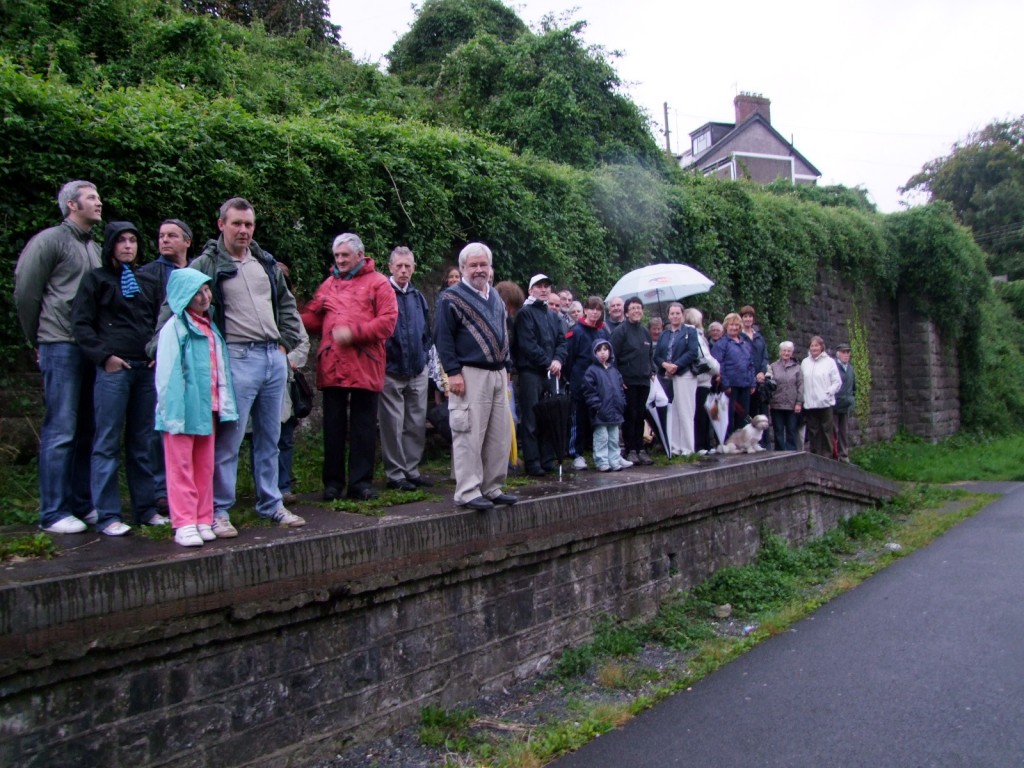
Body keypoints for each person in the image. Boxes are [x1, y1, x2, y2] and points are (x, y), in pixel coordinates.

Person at [183, 197, 307, 535]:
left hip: (273, 357)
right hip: (236, 357)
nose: (243, 230)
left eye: (248, 224)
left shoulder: (264, 262)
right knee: (230, 439)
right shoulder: (205, 264)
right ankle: (218, 510)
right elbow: (178, 304)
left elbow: (285, 301)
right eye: (236, 223)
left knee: (270, 435)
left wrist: (287, 341)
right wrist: (157, 347)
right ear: (221, 224)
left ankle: (271, 502)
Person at [14, 180, 103, 534]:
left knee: (88, 430)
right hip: (60, 344)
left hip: (90, 347)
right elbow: (26, 291)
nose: (99, 202)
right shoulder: (49, 241)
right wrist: (36, 337)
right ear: (71, 205)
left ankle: (82, 504)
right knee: (61, 428)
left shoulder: (95, 247)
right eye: (91, 197)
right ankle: (53, 511)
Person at [71, 221, 165, 535]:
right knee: (106, 442)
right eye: (122, 241)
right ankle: (108, 515)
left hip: (144, 369)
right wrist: (104, 358)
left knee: (142, 443)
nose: (128, 246)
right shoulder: (96, 280)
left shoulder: (147, 280)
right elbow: (82, 325)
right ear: (110, 245)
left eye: (133, 241)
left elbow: (157, 320)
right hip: (114, 369)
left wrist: (156, 353)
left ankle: (146, 509)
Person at [303, 233, 398, 501]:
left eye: (345, 255)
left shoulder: (379, 284)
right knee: (332, 427)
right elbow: (314, 318)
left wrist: (353, 333)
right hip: (333, 364)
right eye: (337, 256)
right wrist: (290, 318)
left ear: (360, 254)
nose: (340, 260)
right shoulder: (328, 284)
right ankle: (332, 485)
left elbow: (388, 322)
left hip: (365, 364)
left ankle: (360, 484)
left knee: (363, 426)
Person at [155, 268, 238, 547]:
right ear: (183, 296)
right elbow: (167, 374)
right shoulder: (175, 328)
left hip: (208, 409)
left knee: (204, 466)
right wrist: (172, 412)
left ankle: (203, 517)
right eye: (197, 292)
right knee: (180, 467)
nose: (205, 297)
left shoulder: (209, 326)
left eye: (206, 290)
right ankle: (184, 522)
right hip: (181, 411)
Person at [434, 242, 517, 510]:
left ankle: (492, 487)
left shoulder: (494, 296)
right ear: (463, 268)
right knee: (468, 433)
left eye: (483, 265)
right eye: (473, 265)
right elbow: (442, 339)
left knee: (498, 435)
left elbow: (503, 334)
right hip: (469, 374)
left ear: (490, 268)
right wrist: (453, 373)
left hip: (497, 372)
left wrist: (506, 367)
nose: (479, 270)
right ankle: (468, 491)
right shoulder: (450, 298)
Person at [139, 218, 193, 513]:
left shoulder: (198, 272)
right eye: (161, 236)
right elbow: (146, 317)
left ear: (187, 241)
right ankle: (161, 490)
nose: (165, 240)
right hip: (161, 359)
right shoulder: (149, 274)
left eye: (172, 235)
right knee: (160, 424)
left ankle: (187, 488)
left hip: (194, 359)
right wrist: (153, 350)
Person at [378, 246, 433, 492]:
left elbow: (426, 332)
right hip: (390, 370)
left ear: (413, 268)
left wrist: (422, 356)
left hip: (417, 370)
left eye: (407, 266)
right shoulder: (381, 293)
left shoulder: (417, 296)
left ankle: (412, 470)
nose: (403, 270)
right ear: (390, 267)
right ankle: (395, 473)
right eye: (398, 266)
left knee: (416, 423)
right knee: (392, 424)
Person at [513, 274, 566, 477]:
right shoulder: (524, 314)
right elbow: (527, 344)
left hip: (550, 373)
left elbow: (562, 342)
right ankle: (533, 461)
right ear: (531, 290)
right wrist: (548, 362)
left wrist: (558, 360)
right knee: (531, 419)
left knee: (549, 417)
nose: (544, 289)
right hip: (531, 373)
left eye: (547, 286)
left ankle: (547, 458)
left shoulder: (553, 316)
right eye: (539, 286)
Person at [564, 296, 612, 470]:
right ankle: (576, 453)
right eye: (591, 309)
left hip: (598, 384)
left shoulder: (603, 332)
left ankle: (599, 453)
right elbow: (569, 359)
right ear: (585, 310)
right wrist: (572, 379)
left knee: (598, 419)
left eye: (598, 310)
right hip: (580, 383)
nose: (594, 312)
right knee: (578, 419)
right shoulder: (576, 331)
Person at [611, 297, 654, 465]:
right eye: (633, 308)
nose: (636, 311)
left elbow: (650, 354)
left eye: (639, 308)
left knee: (640, 414)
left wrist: (652, 369)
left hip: (644, 380)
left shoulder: (645, 332)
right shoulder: (621, 331)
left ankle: (640, 448)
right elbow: (612, 356)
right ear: (627, 312)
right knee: (630, 414)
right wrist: (617, 378)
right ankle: (629, 450)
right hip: (627, 380)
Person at [654, 302, 700, 456]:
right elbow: (657, 355)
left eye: (677, 313)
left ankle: (687, 448)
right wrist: (665, 365)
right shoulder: (664, 334)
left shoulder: (690, 331)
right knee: (672, 410)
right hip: (667, 375)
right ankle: (674, 447)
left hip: (684, 374)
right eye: (672, 313)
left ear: (682, 314)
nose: (675, 316)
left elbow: (693, 352)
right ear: (668, 315)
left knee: (685, 410)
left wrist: (677, 365)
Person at [583, 340, 627, 471]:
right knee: (601, 438)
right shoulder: (591, 371)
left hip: (615, 411)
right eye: (599, 350)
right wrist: (597, 406)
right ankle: (602, 461)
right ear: (594, 353)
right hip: (600, 412)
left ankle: (614, 460)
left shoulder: (614, 371)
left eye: (605, 350)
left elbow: (620, 388)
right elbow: (589, 391)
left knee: (614, 439)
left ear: (610, 352)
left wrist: (622, 403)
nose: (603, 353)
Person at [711, 312, 757, 438]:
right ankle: (728, 441)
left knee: (744, 415)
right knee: (728, 415)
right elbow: (719, 365)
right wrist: (725, 384)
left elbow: (751, 364)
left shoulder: (745, 343)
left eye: (737, 325)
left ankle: (743, 441)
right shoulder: (721, 344)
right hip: (730, 386)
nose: (734, 328)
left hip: (745, 384)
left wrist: (753, 382)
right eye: (732, 325)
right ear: (726, 326)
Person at [684, 308, 721, 454]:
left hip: (704, 379)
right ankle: (700, 445)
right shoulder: (695, 335)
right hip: (701, 379)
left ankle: (705, 444)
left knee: (704, 414)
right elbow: (704, 357)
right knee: (700, 414)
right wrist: (717, 368)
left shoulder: (697, 334)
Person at [800, 335, 842, 458]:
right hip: (810, 403)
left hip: (825, 403)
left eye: (816, 345)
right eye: (812, 346)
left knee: (827, 430)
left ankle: (828, 456)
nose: (814, 348)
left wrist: (828, 393)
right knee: (813, 431)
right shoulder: (805, 362)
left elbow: (837, 382)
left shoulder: (829, 362)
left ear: (821, 347)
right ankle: (816, 455)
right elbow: (801, 381)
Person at [769, 341, 803, 451]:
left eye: (789, 351)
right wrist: (769, 401)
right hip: (776, 404)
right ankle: (779, 453)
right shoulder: (773, 366)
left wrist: (799, 402)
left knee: (791, 430)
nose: (786, 353)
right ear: (780, 352)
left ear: (792, 353)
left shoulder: (797, 367)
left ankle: (791, 453)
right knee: (778, 430)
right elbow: (769, 385)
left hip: (792, 404)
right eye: (784, 350)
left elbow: (800, 385)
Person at [833, 342, 856, 462]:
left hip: (846, 405)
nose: (846, 355)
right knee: (833, 430)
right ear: (838, 354)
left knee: (844, 431)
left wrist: (852, 399)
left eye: (848, 352)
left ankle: (844, 455)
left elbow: (853, 386)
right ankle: (833, 454)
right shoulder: (833, 367)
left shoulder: (850, 368)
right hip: (835, 404)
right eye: (843, 352)